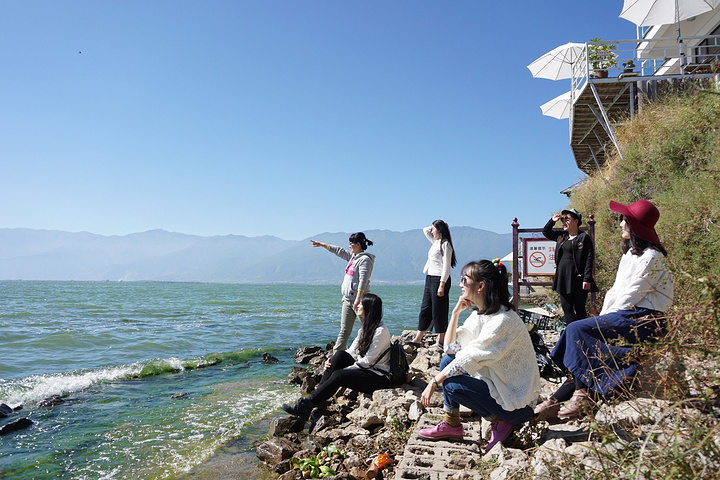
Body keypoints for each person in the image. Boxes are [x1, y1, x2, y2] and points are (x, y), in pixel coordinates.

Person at [535, 199, 673, 420]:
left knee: (576, 331)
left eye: (625, 220)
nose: (621, 224)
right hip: (627, 314)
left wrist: (603, 320)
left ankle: (580, 395)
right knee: (580, 343)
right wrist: (602, 318)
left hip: (645, 319)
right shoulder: (631, 254)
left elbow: (632, 294)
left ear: (635, 226)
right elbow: (616, 291)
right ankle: (554, 401)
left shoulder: (652, 257)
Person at [418, 259, 541, 453]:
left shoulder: (503, 320)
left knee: (451, 385)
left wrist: (434, 382)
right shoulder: (481, 315)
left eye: (464, 280)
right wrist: (456, 313)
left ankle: (501, 420)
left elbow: (468, 358)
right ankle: (452, 423)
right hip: (497, 386)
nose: (460, 285)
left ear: (481, 286)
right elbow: (450, 349)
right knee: (447, 362)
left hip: (517, 405)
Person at [282, 293, 391, 420]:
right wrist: (331, 362)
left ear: (369, 308)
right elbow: (351, 352)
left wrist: (343, 370)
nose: (357, 305)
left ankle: (305, 405)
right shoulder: (365, 328)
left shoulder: (380, 331)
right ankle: (318, 399)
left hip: (378, 378)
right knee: (339, 355)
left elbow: (368, 361)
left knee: (339, 375)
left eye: (361, 304)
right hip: (368, 370)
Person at [311, 233, 375, 352]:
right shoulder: (353, 257)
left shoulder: (365, 260)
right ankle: (336, 355)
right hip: (347, 299)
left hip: (359, 301)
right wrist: (322, 245)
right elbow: (339, 251)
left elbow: (363, 280)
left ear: (358, 244)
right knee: (344, 330)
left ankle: (372, 351)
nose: (349, 246)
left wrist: (358, 299)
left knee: (367, 328)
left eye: (351, 244)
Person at [542, 208, 598, 324]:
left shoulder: (583, 237)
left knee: (580, 309)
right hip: (563, 278)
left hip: (578, 279)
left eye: (567, 219)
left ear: (576, 221)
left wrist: (587, 278)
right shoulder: (562, 236)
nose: (564, 222)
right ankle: (571, 332)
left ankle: (581, 332)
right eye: (563, 220)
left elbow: (589, 259)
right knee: (567, 309)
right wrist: (552, 221)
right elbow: (546, 232)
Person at [407, 220, 457, 348]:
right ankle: (418, 338)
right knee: (425, 308)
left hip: (440, 279)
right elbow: (425, 230)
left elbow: (446, 267)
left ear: (439, 230)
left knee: (439, 310)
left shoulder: (445, 244)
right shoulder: (435, 242)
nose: (431, 231)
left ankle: (441, 340)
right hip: (429, 278)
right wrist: (439, 225)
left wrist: (442, 284)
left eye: (434, 229)